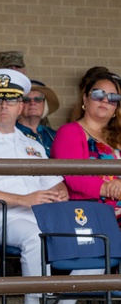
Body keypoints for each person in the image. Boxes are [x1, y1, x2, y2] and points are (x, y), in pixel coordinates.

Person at [0, 69, 103, 304]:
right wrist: (22, 199)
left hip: (41, 215)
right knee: (35, 236)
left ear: (19, 107)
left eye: (11, 100)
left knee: (93, 236)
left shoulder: (33, 145)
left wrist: (60, 191)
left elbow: (54, 181)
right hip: (2, 219)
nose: (4, 106)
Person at [51, 70, 121, 223]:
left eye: (113, 98)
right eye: (98, 94)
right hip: (89, 214)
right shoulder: (69, 132)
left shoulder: (118, 136)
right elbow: (75, 176)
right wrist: (114, 190)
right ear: (85, 99)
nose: (105, 101)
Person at [17, 80, 60, 151]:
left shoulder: (52, 134)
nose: (32, 103)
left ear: (44, 104)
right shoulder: (11, 132)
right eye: (26, 99)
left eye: (38, 99)